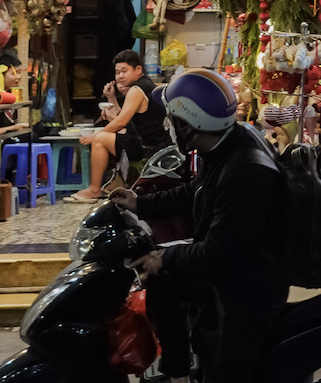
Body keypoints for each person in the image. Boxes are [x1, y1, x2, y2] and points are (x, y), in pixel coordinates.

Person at [111, 68, 287, 383]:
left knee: (223, 368)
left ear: (192, 126)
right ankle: (177, 372)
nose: (168, 126)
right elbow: (197, 191)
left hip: (248, 290)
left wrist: (164, 256)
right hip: (232, 270)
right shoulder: (224, 144)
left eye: (172, 121)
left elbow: (217, 255)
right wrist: (141, 204)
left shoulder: (244, 172)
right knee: (163, 280)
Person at [70, 49, 168, 202]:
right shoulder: (144, 85)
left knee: (101, 139)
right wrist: (111, 97)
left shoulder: (136, 90)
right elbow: (125, 119)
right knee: (113, 135)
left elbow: (121, 122)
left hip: (146, 147)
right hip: (150, 142)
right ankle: (115, 184)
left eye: (124, 71)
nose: (120, 76)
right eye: (117, 72)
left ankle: (94, 190)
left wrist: (95, 136)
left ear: (138, 70)